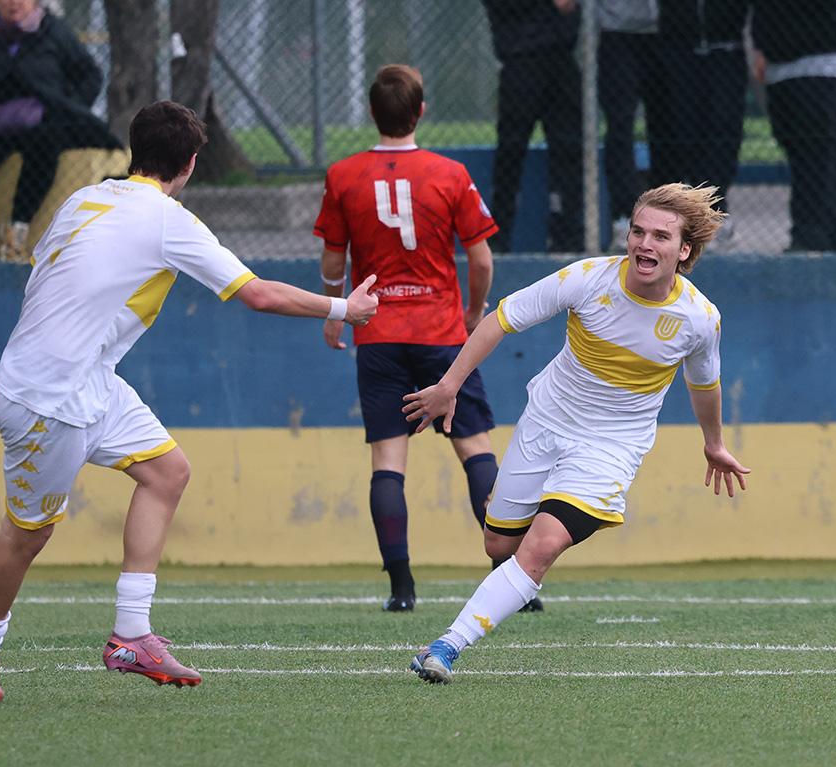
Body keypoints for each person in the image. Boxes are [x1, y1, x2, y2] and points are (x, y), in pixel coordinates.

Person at [0, 100, 378, 704]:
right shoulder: (169, 220)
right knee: (25, 536)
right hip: (50, 396)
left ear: (134, 150)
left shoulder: (84, 198)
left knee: (167, 472)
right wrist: (345, 308)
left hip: (88, 379)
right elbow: (258, 295)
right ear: (190, 164)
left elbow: (48, 273)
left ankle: (131, 635)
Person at [403, 183, 750, 683]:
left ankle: (446, 646)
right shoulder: (588, 278)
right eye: (637, 231)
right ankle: (514, 563)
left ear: (684, 250)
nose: (644, 243)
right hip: (545, 424)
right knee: (498, 547)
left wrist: (713, 444)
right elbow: (500, 320)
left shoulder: (699, 318)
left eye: (660, 236)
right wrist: (448, 385)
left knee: (541, 548)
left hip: (611, 448)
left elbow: (705, 384)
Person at [314, 65, 530, 612]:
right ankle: (514, 582)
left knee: (388, 460)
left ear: (371, 112)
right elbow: (481, 258)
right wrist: (474, 311)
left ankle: (402, 589)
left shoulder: (343, 175)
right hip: (441, 334)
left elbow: (334, 261)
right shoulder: (450, 174)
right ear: (421, 111)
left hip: (378, 334)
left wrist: (336, 309)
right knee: (475, 448)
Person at [0, 0, 121, 262]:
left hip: (45, 124)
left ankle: (17, 232)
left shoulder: (56, 34)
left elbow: (89, 75)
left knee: (44, 148)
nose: (13, 3)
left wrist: (69, 107)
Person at [750, 0, 836, 252]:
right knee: (806, 152)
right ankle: (829, 230)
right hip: (784, 64)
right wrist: (759, 46)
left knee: (821, 151)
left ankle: (819, 232)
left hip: (824, 63)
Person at [482, 0, 584, 252]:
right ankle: (498, 236)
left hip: (561, 59)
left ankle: (567, 234)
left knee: (568, 149)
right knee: (511, 150)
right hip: (520, 59)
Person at [654, 0, 750, 248]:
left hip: (725, 50)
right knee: (680, 132)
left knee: (724, 132)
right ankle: (680, 216)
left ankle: (715, 211)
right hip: (679, 50)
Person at [597, 0, 667, 244]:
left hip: (666, 32)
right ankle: (624, 216)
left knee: (667, 127)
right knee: (620, 127)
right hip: (617, 34)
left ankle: (668, 213)